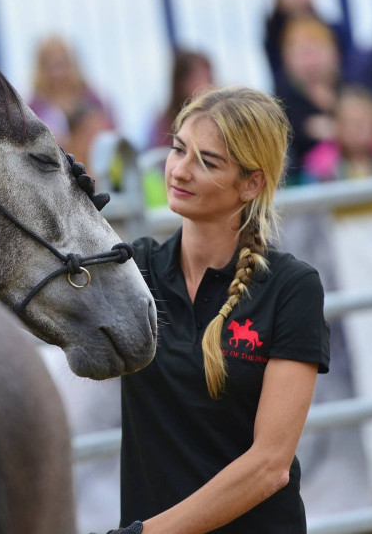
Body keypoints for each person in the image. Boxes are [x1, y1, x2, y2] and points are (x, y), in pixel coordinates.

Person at [109, 87, 330, 534]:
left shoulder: (291, 288)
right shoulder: (134, 269)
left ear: (251, 184)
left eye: (207, 162)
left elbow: (270, 465)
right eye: (178, 150)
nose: (181, 171)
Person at [274, 15, 341, 184]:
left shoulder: (347, 88)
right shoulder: (283, 98)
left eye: (316, 51)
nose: (311, 62)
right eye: (302, 53)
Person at [28, 36, 116, 148]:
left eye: (61, 63)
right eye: (50, 65)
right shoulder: (32, 110)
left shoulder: (93, 101)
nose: (57, 72)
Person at [303, 84, 372, 182]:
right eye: (350, 122)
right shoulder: (320, 166)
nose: (357, 129)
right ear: (337, 125)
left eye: (363, 122)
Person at [147, 50, 214, 150]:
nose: (206, 85)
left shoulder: (217, 117)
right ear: (181, 83)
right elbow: (160, 159)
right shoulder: (165, 125)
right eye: (199, 79)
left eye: (208, 77)